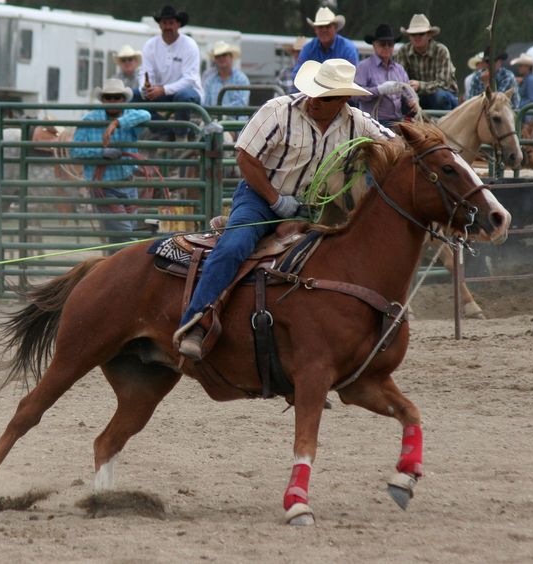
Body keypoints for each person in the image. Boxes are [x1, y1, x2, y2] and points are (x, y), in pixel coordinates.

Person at [177, 58, 396, 360]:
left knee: (335, 263)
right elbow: (245, 157)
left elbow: (396, 147)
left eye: (326, 96)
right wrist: (275, 199)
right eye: (315, 91)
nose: (316, 100)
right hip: (259, 199)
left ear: (343, 99)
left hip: (311, 209)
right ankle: (195, 322)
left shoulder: (357, 123)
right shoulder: (279, 111)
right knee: (234, 246)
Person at [71, 79, 151, 254]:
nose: (113, 101)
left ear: (123, 99)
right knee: (125, 234)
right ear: (103, 100)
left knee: (119, 235)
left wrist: (116, 123)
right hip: (104, 187)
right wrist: (101, 153)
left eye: (117, 97)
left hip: (128, 183)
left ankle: (112, 274)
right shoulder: (90, 119)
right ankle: (131, 271)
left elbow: (146, 114)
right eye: (109, 97)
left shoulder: (130, 116)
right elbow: (75, 151)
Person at [138, 5, 203, 140]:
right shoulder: (150, 45)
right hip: (161, 91)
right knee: (133, 96)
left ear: (178, 24)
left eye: (171, 23)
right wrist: (145, 88)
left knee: (183, 96)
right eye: (164, 23)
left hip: (189, 92)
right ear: (160, 25)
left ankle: (180, 137)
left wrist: (163, 90)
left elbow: (190, 79)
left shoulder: (189, 45)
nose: (167, 26)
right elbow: (145, 72)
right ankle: (166, 133)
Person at [353, 24, 418, 127]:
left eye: (390, 44)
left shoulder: (399, 69)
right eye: (383, 44)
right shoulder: (364, 67)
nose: (387, 47)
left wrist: (412, 102)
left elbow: (407, 92)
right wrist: (378, 90)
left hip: (397, 121)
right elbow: (355, 95)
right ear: (374, 45)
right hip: (373, 122)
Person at [394, 13, 459, 110]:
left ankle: (443, 123)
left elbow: (444, 83)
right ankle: (406, 123)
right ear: (409, 36)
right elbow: (399, 80)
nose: (417, 37)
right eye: (413, 34)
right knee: (400, 99)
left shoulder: (441, 51)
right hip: (415, 96)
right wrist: (409, 90)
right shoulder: (403, 51)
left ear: (429, 35)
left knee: (440, 97)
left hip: (444, 96)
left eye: (421, 34)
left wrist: (420, 85)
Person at [290, 7, 359, 84]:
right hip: (312, 91)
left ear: (335, 28)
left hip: (340, 92)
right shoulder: (308, 48)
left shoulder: (348, 48)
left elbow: (353, 77)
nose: (324, 30)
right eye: (320, 27)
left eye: (328, 26)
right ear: (315, 30)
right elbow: (297, 74)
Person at [202, 40, 250, 120]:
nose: (221, 58)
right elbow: (206, 105)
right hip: (215, 121)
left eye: (224, 55)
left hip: (236, 124)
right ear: (215, 60)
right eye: (217, 56)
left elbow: (242, 104)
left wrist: (221, 111)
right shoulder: (209, 81)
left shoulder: (242, 79)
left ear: (231, 57)